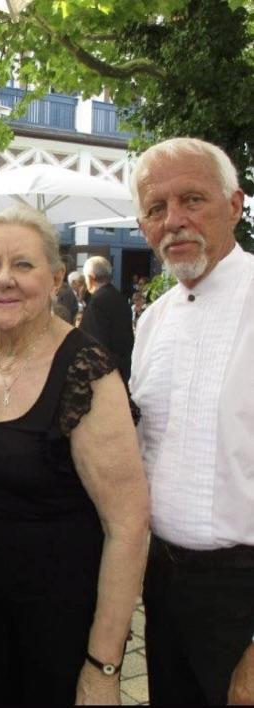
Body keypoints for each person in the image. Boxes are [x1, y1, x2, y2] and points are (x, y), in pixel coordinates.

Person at [0, 204, 149, 705]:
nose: (3, 279)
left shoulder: (87, 371)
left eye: (23, 265)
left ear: (55, 279)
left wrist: (103, 668)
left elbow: (129, 525)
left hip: (56, 631)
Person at [129, 137, 254, 706]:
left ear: (235, 205)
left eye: (192, 200)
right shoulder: (152, 322)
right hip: (166, 586)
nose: (174, 221)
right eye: (156, 208)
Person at [79, 256, 134, 382]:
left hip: (105, 373)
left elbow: (96, 343)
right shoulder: (119, 297)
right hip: (122, 366)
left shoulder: (98, 302)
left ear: (91, 277)